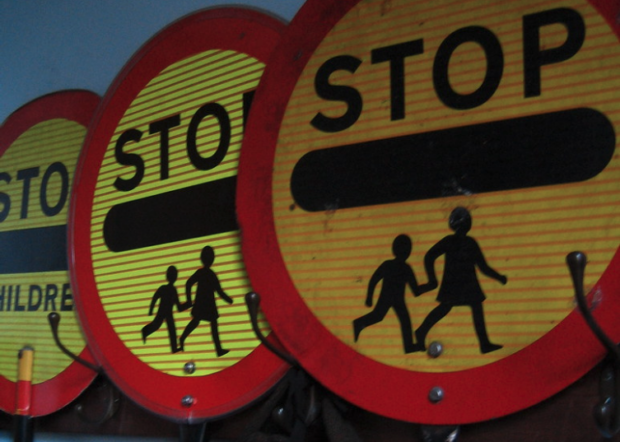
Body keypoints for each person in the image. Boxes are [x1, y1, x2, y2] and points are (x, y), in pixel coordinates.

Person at [414, 207, 507, 354]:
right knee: (450, 307)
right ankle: (421, 331)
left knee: (464, 307)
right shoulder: (453, 241)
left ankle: (484, 343)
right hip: (457, 283)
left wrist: (499, 277)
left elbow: (482, 266)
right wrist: (432, 280)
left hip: (466, 283)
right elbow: (429, 256)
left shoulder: (467, 242)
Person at [353, 234, 424, 353]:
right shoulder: (399, 267)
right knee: (383, 316)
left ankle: (409, 346)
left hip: (394, 299)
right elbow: (374, 279)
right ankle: (358, 323)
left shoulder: (397, 266)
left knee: (400, 319)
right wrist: (369, 297)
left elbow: (374, 280)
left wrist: (369, 297)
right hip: (390, 297)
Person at [179, 246, 233, 356]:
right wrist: (228, 299)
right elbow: (219, 291)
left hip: (206, 304)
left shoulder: (206, 273)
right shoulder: (208, 274)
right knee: (201, 323)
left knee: (201, 322)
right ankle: (183, 338)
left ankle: (217, 349)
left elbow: (218, 290)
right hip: (205, 304)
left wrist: (228, 299)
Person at [141, 265, 184, 353]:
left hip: (169, 313)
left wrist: (189, 304)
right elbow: (155, 298)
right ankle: (144, 331)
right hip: (162, 311)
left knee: (172, 329)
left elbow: (178, 306)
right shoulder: (164, 288)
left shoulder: (173, 289)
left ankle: (174, 348)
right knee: (156, 325)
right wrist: (151, 310)